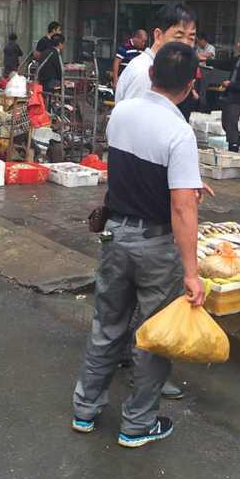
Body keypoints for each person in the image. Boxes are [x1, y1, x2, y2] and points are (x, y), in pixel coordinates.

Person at [71, 42, 205, 447]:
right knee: (152, 336)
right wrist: (192, 272)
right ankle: (137, 424)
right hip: (155, 245)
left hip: (116, 237)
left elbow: (132, 169)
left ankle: (85, 409)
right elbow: (182, 209)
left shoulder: (122, 113)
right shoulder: (179, 133)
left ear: (150, 74)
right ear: (191, 84)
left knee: (107, 326)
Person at [115, 3, 197, 103]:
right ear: (158, 36)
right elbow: (135, 117)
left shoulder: (163, 69)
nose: (186, 44)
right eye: (178, 37)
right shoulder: (145, 73)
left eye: (191, 38)